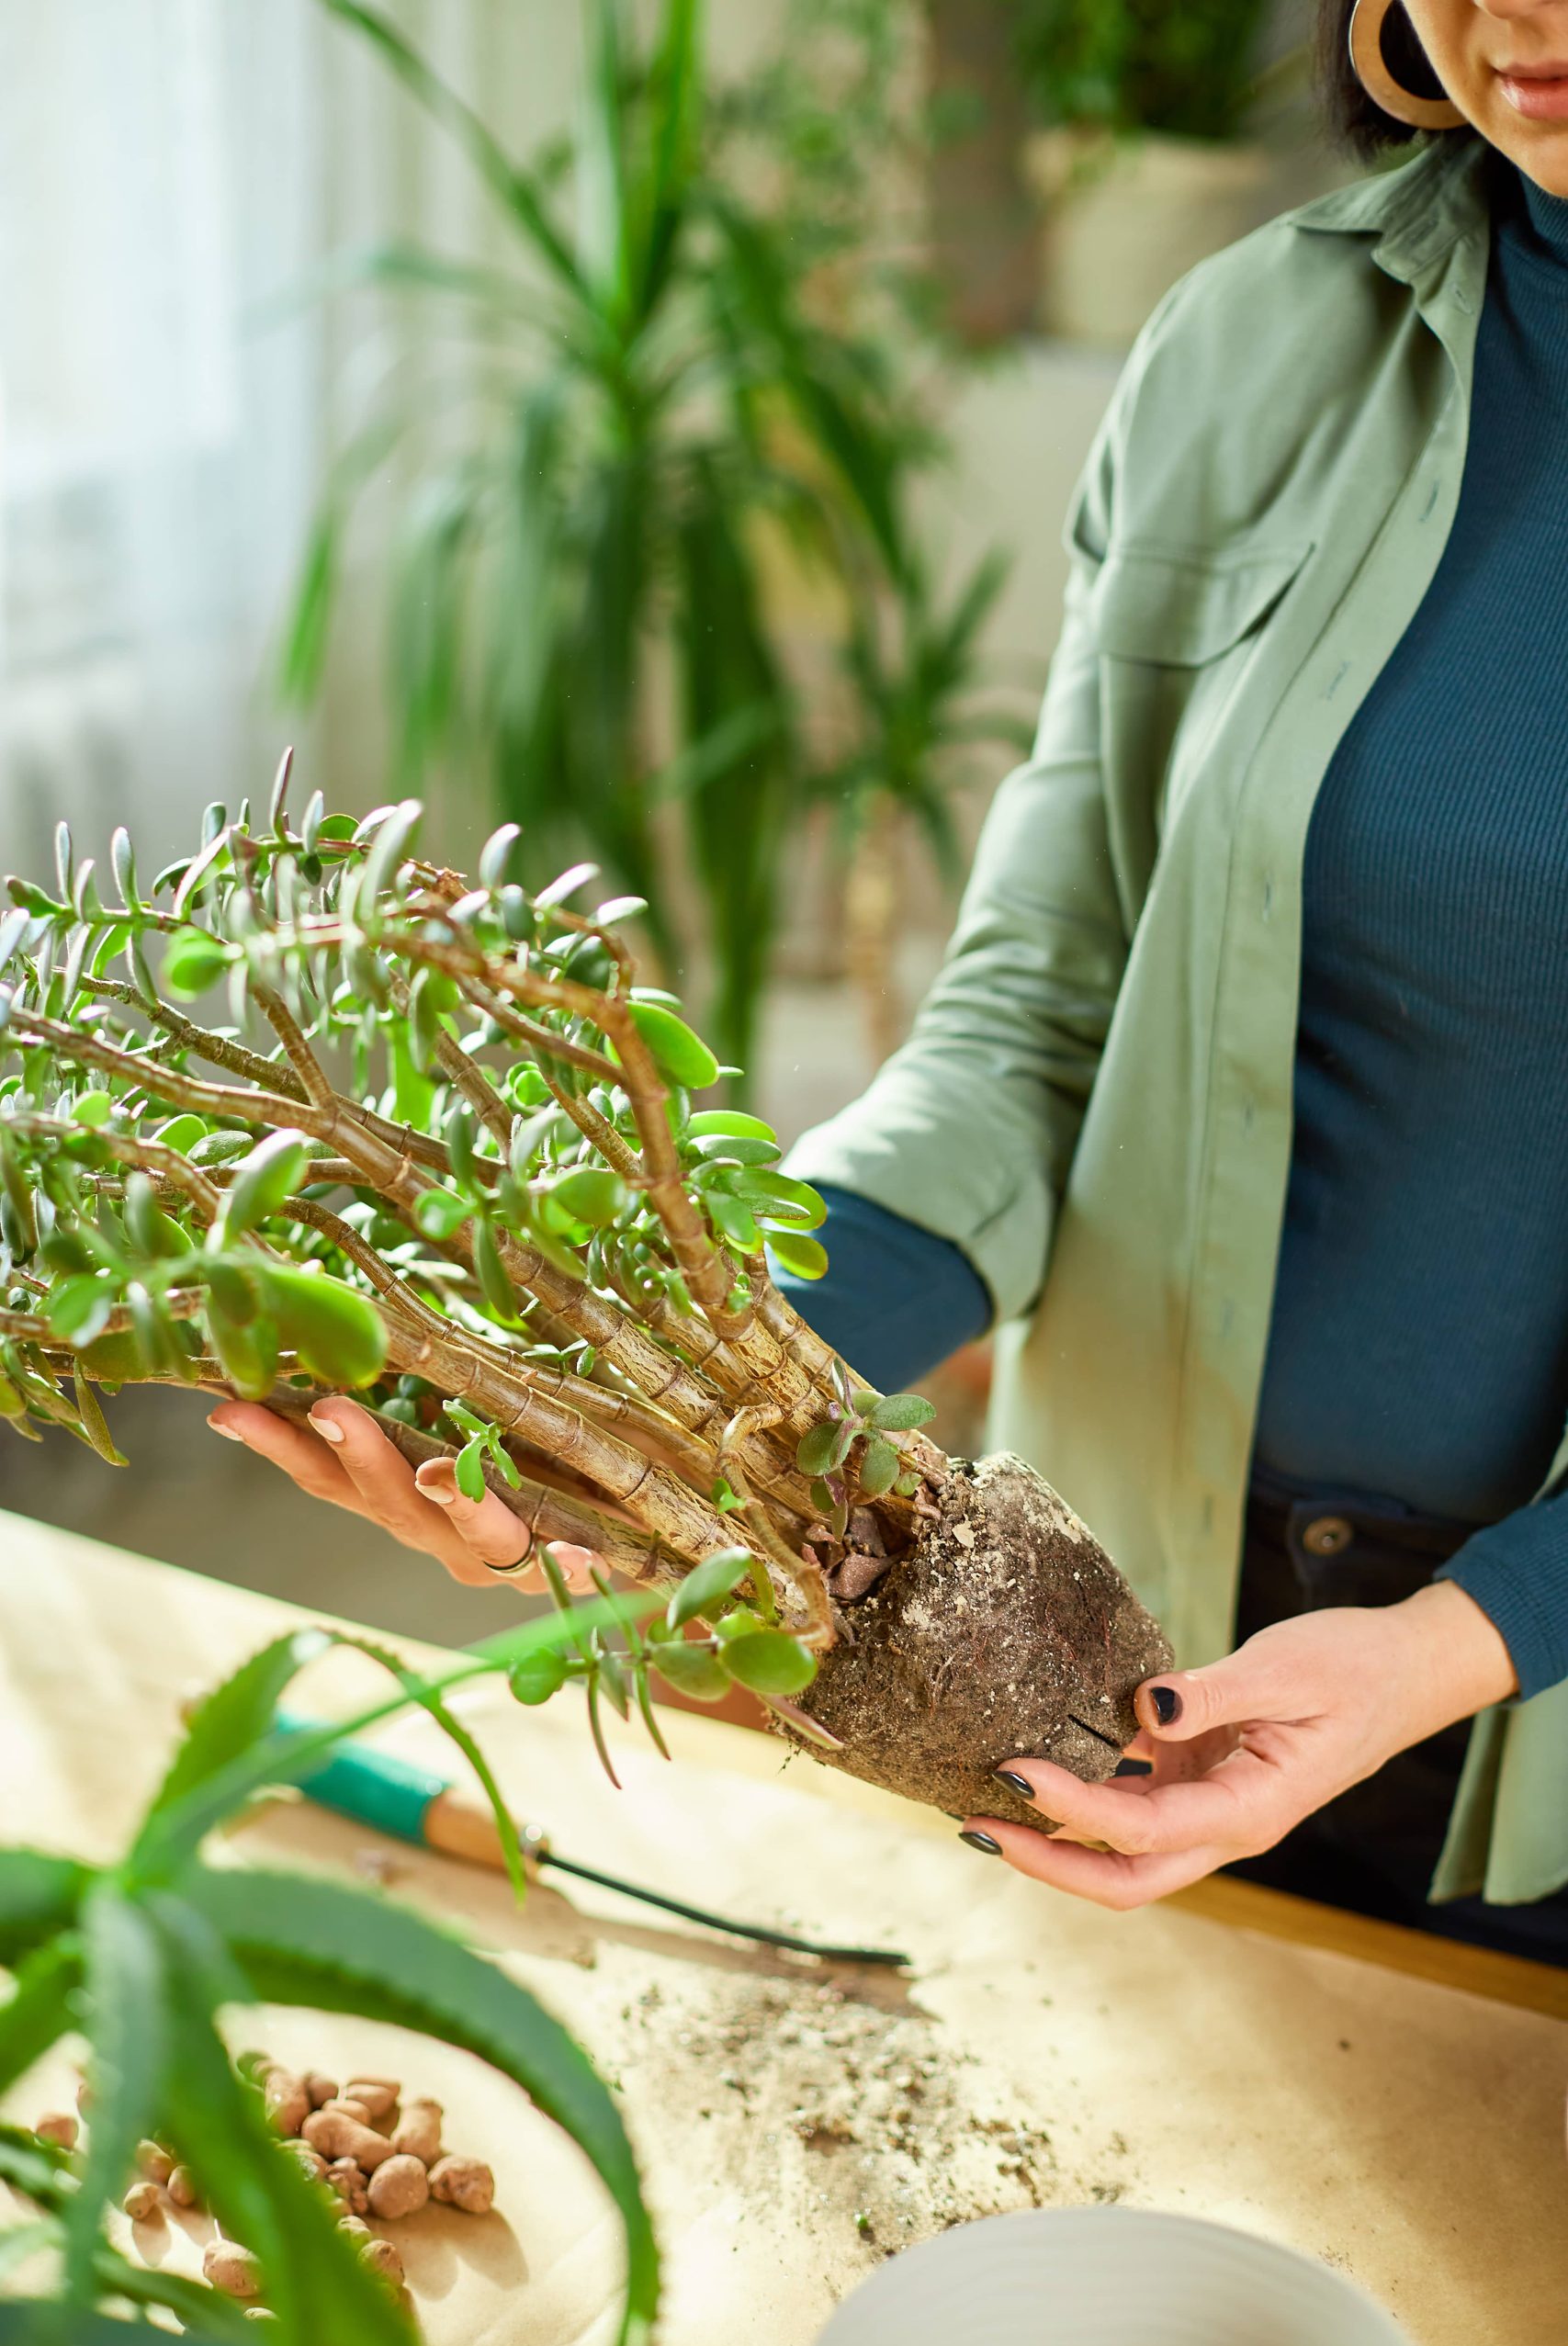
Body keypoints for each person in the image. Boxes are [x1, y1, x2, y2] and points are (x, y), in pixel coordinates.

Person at [213, 0, 1568, 1963]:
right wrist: (664, 1390)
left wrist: (1456, 1642)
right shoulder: (1261, 345)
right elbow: (1038, 1020)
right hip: (1121, 1654)